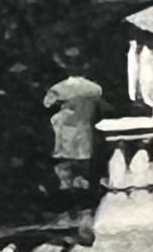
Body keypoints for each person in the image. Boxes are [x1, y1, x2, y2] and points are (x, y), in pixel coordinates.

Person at [41, 69, 108, 212]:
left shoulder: (60, 87)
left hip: (64, 129)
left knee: (64, 164)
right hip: (85, 128)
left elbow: (46, 104)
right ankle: (83, 196)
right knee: (83, 162)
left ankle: (68, 198)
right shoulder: (94, 88)